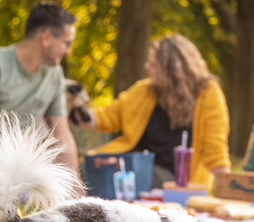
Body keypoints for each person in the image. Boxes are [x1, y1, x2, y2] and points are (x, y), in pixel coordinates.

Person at [77, 33, 231, 188]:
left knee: (130, 176)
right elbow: (107, 116)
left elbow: (215, 149)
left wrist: (226, 188)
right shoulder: (144, 91)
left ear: (172, 70)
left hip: (176, 179)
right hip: (137, 165)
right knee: (85, 167)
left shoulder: (207, 94)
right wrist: (75, 112)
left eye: (153, 64)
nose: (147, 67)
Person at [0, 1, 79, 174]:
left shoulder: (54, 74)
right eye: (67, 43)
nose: (68, 51)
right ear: (46, 38)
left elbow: (63, 137)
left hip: (22, 175)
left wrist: (76, 186)